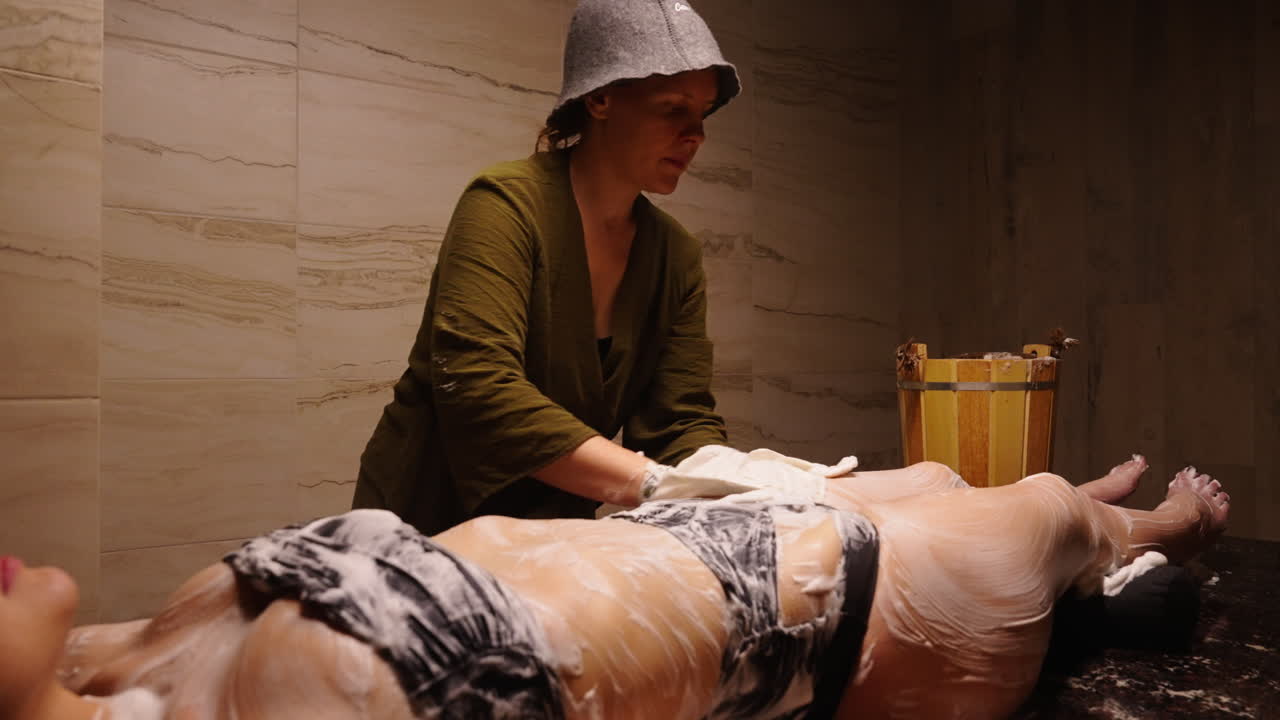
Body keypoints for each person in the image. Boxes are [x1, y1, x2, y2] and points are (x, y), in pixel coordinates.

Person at [2, 458, 1229, 719]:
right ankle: (1142, 531)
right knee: (1041, 513)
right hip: (859, 614)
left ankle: (1097, 544)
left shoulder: (132, 659)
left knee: (939, 473)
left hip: (739, 532)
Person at [354, 0, 741, 534]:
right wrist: (651, 483)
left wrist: (740, 482)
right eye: (673, 107)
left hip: (551, 533)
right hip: (425, 525)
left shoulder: (675, 255)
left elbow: (678, 418)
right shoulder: (504, 204)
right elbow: (478, 386)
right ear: (600, 98)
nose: (694, 133)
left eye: (703, 113)